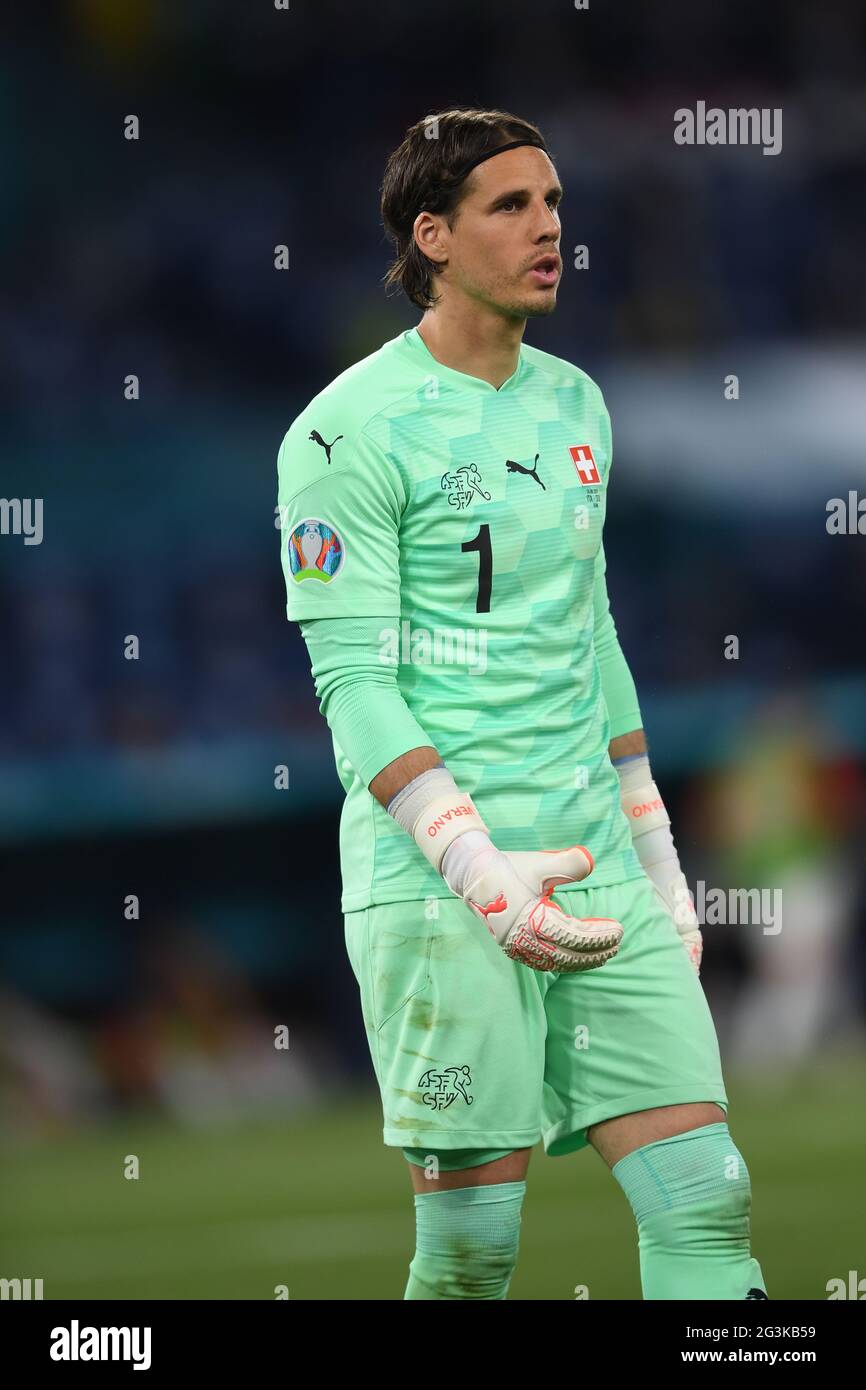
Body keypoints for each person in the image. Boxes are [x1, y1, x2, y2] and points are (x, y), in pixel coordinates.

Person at [276, 106, 768, 1301]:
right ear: (431, 236)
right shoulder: (344, 432)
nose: (549, 228)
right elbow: (353, 685)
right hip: (444, 884)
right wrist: (474, 867)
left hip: (595, 862)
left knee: (708, 1201)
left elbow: (588, 633)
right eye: (511, 206)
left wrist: (650, 848)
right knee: (469, 1255)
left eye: (553, 204)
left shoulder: (576, 406)